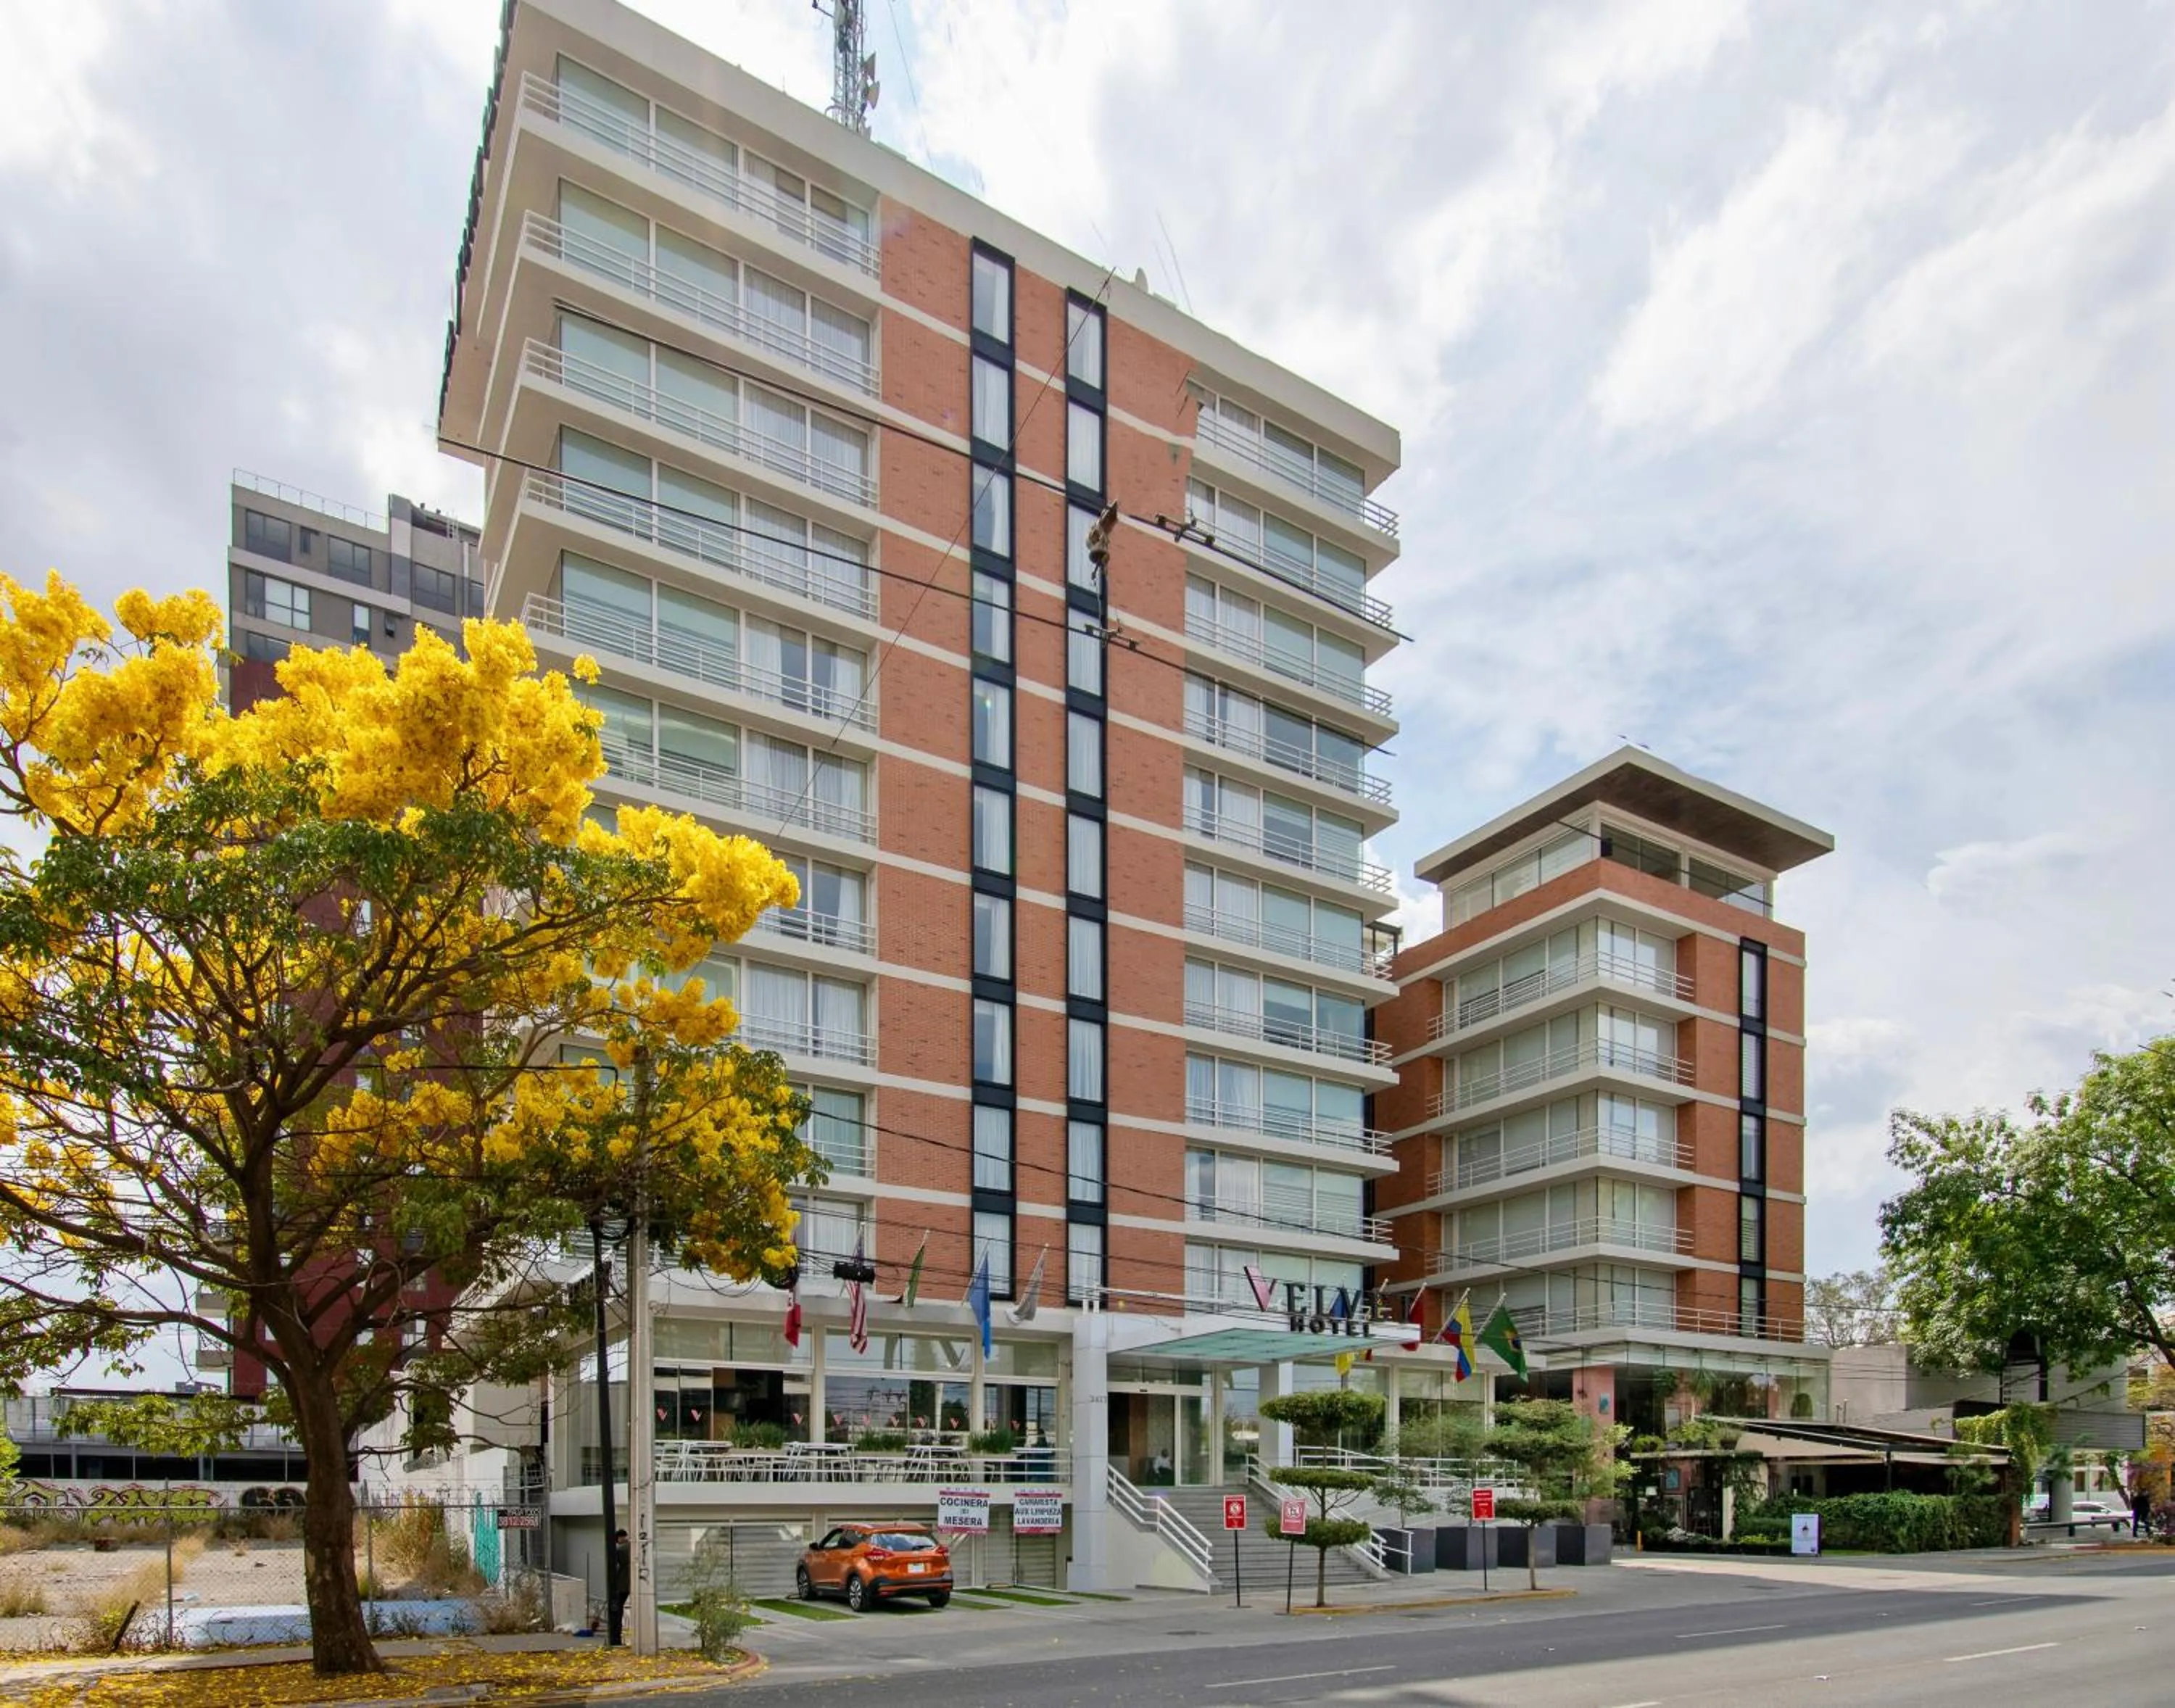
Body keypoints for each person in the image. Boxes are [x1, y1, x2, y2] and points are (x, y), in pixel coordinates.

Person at [608, 1527, 630, 1644]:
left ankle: (616, 1636)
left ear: (620, 1538)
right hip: (635, 1582)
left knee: (618, 1608)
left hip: (622, 1584)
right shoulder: (634, 1547)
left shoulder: (620, 1550)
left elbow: (615, 1568)